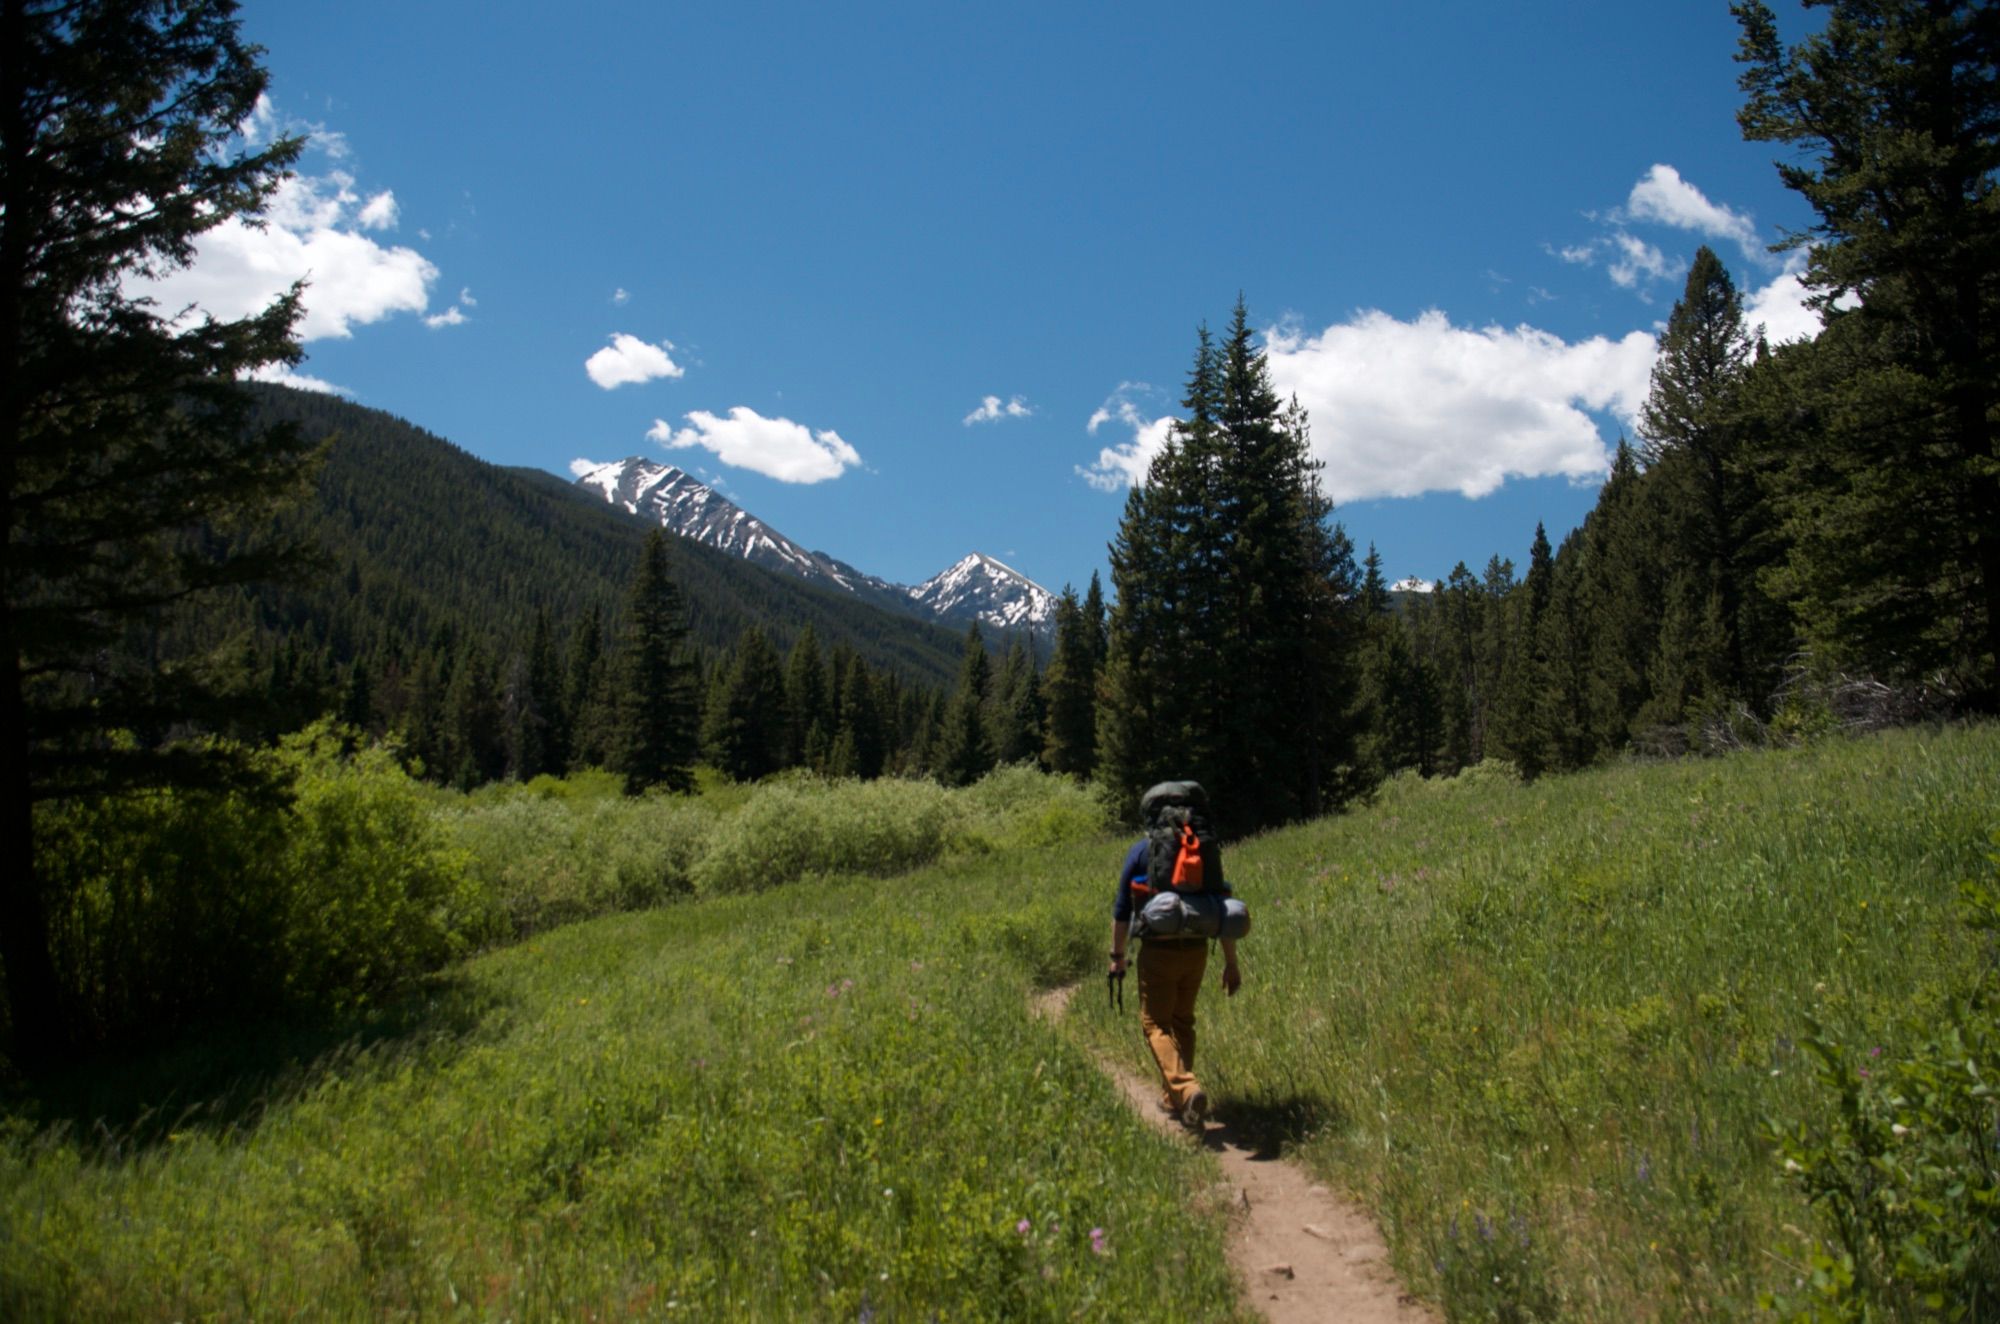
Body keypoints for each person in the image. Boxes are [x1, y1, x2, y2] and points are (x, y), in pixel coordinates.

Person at [1109, 792, 1242, 1129]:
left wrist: (1118, 956)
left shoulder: (1142, 851)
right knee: (1183, 1020)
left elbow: (1122, 910)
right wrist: (1231, 962)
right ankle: (1175, 1097)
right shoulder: (1202, 847)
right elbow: (1221, 907)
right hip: (1196, 948)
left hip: (1159, 950)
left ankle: (1185, 1087)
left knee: (1155, 1023)